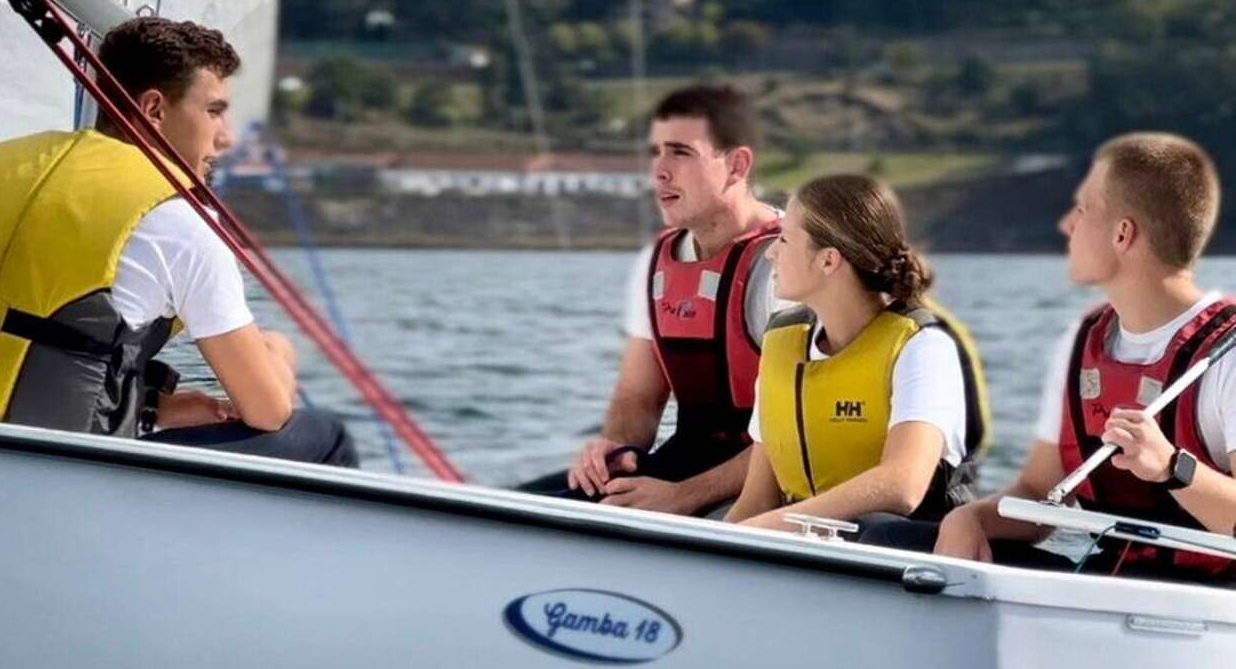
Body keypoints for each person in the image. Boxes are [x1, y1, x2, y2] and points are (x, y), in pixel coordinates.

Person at [0, 17, 356, 467]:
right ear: (153, 109)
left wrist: (152, 406)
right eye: (213, 111)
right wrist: (278, 354)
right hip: (60, 470)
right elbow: (266, 411)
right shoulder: (177, 220)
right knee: (326, 436)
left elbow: (21, 339)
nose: (224, 137)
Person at [924, 133, 1236, 584]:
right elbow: (1038, 494)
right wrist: (970, 519)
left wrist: (1171, 467)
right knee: (891, 538)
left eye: (1083, 210)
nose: (1068, 224)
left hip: (1207, 603)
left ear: (1122, 233)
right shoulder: (1082, 339)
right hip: (1111, 584)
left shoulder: (1227, 351)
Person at [520, 85, 788, 516]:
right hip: (687, 465)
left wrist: (684, 498)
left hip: (777, 483)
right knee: (531, 508)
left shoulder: (789, 263)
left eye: (681, 152)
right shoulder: (656, 262)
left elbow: (806, 432)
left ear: (736, 165)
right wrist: (614, 451)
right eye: (655, 152)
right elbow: (638, 400)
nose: (659, 172)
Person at [723, 174, 989, 534]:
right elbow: (755, 502)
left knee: (879, 530)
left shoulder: (923, 348)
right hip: (804, 550)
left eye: (784, 239)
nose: (770, 252)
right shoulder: (781, 343)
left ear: (829, 261)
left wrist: (775, 526)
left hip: (905, 557)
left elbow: (903, 485)